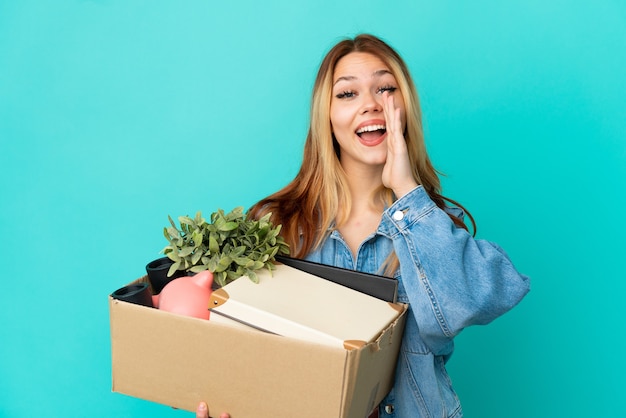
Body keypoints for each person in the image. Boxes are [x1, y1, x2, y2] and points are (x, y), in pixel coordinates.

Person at [198, 33, 530, 418]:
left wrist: (407, 190)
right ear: (327, 116)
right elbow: (243, 350)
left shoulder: (433, 228)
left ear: (405, 107)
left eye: (386, 89)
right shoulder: (276, 226)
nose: (371, 104)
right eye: (347, 94)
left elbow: (480, 299)